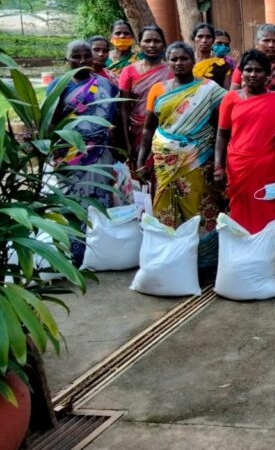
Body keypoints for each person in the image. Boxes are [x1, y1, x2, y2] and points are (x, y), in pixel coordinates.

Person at [136, 42, 226, 273]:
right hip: (164, 162)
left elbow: (221, 128)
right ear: (167, 61)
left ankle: (205, 263)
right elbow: (148, 128)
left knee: (201, 207)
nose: (178, 63)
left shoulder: (210, 89)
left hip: (198, 160)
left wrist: (220, 162)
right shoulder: (158, 90)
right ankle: (170, 262)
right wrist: (140, 160)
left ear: (193, 60)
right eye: (173, 59)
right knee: (165, 208)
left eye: (183, 58)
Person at [215, 50, 275, 270]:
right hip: (238, 168)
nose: (252, 74)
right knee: (241, 214)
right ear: (241, 73)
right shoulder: (230, 99)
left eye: (258, 70)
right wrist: (218, 167)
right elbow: (222, 135)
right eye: (248, 70)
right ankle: (245, 265)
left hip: (270, 168)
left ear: (267, 74)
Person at [48, 40, 120, 265]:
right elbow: (50, 123)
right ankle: (75, 254)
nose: (82, 61)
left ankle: (100, 254)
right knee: (73, 203)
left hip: (101, 152)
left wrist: (120, 151)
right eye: (76, 57)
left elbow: (115, 118)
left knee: (100, 202)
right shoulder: (59, 86)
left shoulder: (107, 85)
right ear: (66, 60)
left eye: (87, 56)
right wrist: (56, 154)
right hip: (70, 156)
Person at [118, 24, 169, 173]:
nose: (152, 45)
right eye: (147, 41)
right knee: (141, 177)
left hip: (165, 133)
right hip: (137, 134)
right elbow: (124, 109)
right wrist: (127, 141)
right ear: (139, 44)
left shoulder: (171, 70)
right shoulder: (128, 71)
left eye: (157, 41)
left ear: (163, 44)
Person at [192, 22, 232, 89]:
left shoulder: (222, 65)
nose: (204, 40)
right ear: (193, 39)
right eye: (200, 36)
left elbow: (226, 94)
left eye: (208, 37)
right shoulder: (186, 62)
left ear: (213, 40)